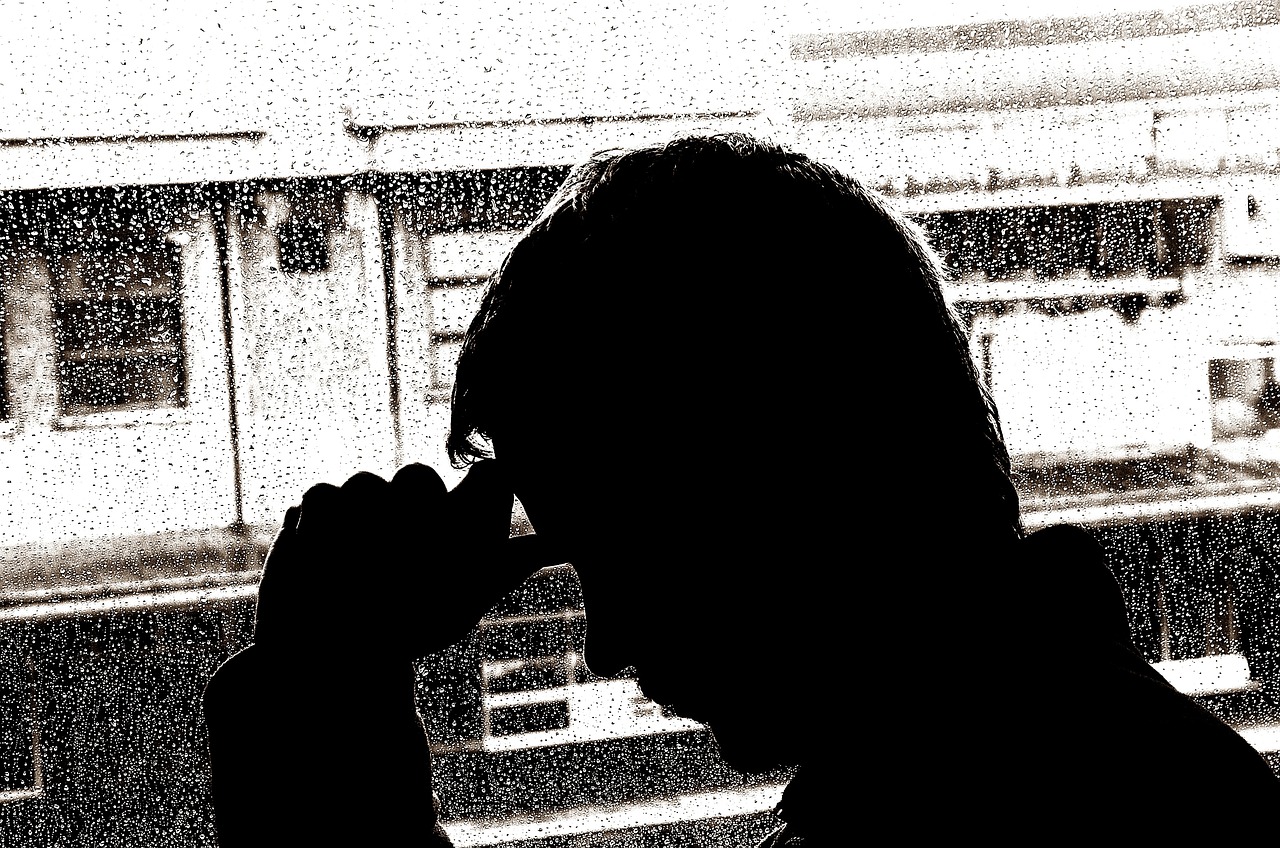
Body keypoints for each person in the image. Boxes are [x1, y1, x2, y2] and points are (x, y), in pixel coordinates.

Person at [202, 134, 1280, 846]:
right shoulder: (1115, 764)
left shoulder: (949, 821)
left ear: (780, 495)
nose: (608, 643)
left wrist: (318, 691)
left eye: (630, 557)